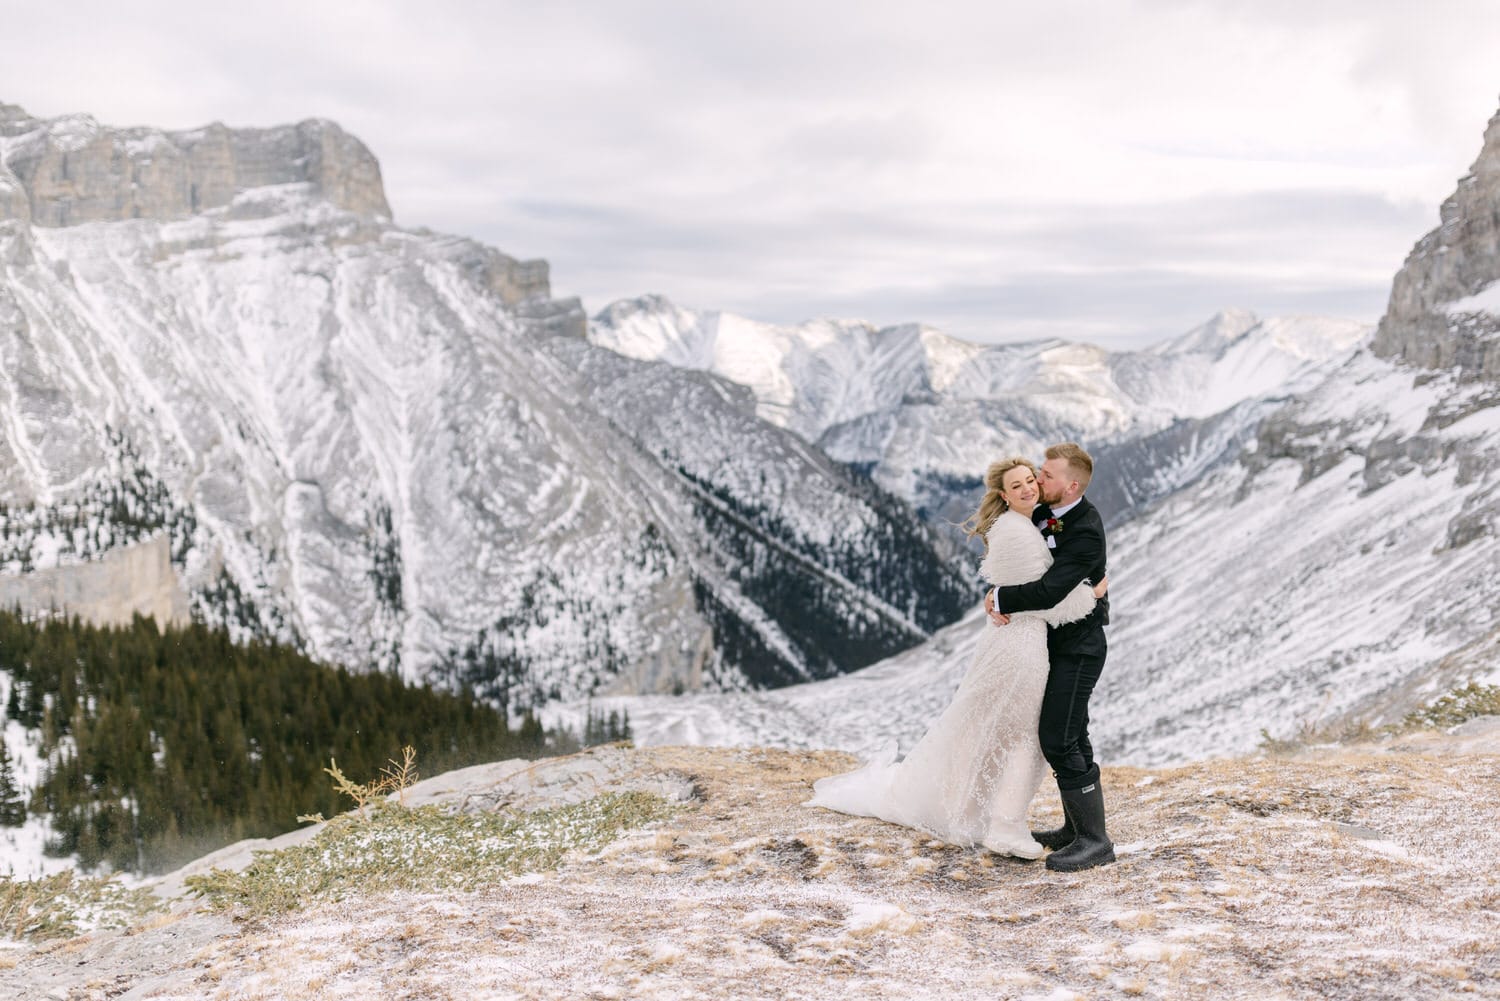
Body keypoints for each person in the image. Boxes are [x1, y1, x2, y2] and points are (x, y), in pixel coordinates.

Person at [805, 456, 1101, 859]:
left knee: (1017, 732)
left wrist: (1004, 594)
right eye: (1018, 486)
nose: (1030, 488)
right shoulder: (1017, 532)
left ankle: (1010, 822)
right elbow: (1047, 600)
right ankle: (1007, 826)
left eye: (1033, 479)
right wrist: (1091, 594)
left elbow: (1043, 584)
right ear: (1003, 495)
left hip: (1026, 643)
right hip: (1020, 645)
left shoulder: (1035, 520)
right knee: (1024, 735)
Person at [985, 442, 1113, 872]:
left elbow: (1049, 591)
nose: (1038, 481)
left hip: (1079, 647)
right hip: (1052, 644)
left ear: (1071, 484)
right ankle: (1076, 829)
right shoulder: (1047, 512)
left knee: (1058, 738)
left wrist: (1001, 598)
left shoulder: (1085, 529)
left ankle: (1096, 842)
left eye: (1046, 475)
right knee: (1073, 734)